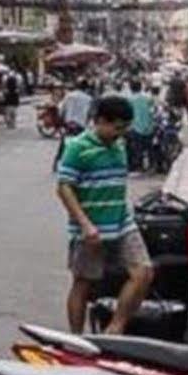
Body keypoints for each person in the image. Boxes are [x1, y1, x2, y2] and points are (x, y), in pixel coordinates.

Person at [57, 94, 155, 334]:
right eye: (116, 127)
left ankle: (115, 328)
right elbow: (64, 187)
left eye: (124, 128)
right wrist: (85, 224)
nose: (120, 134)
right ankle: (77, 338)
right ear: (100, 121)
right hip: (91, 228)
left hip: (122, 223)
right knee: (83, 283)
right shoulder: (77, 147)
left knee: (143, 272)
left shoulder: (119, 145)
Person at [125, 78, 155, 173]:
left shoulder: (129, 100)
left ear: (131, 88)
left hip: (135, 127)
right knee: (149, 147)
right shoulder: (148, 98)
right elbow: (153, 111)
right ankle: (151, 165)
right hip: (149, 126)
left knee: (137, 148)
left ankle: (139, 166)